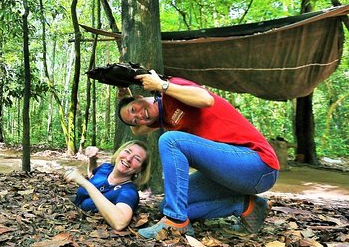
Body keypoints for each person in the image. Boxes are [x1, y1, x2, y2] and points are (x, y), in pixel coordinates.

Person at [118, 70, 279, 238]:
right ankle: (247, 206)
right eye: (135, 120)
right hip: (233, 175)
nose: (139, 116)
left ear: (139, 96)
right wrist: (124, 100)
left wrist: (161, 85)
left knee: (170, 140)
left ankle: (176, 222)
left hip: (258, 164)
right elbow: (137, 131)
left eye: (134, 109)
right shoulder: (164, 118)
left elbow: (206, 99)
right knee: (168, 204)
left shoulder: (172, 88)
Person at [64, 141, 151, 231]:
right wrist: (92, 160)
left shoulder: (128, 192)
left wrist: (85, 183)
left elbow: (120, 223)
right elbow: (93, 176)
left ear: (140, 169)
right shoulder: (106, 168)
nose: (128, 158)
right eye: (127, 151)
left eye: (137, 159)